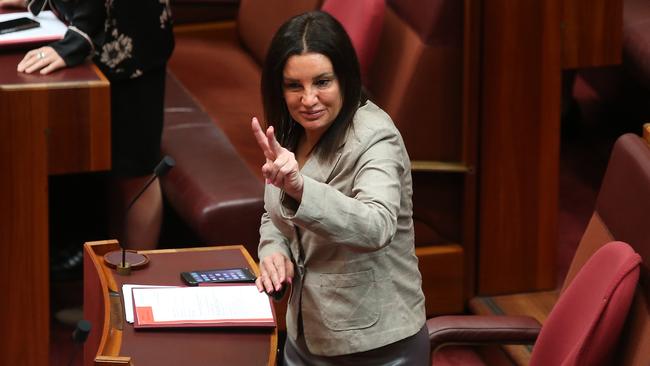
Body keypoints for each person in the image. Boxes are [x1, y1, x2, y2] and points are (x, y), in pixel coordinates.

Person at [252, 11, 429, 365]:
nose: (308, 99)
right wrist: (274, 249)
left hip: (374, 346)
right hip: (305, 333)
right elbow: (276, 214)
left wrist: (302, 189)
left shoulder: (375, 138)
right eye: (294, 86)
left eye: (322, 82)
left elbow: (376, 226)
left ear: (345, 78)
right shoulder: (290, 129)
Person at [1, 0, 174, 252]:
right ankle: (112, 268)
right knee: (115, 170)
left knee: (136, 172)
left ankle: (133, 281)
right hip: (86, 24)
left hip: (129, 39)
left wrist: (80, 35)